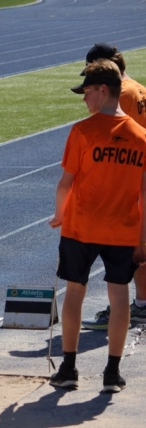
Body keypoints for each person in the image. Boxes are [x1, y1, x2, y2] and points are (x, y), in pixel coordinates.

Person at [48, 59, 146, 393]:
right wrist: (143, 238)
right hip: (122, 230)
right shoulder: (142, 138)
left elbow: (66, 183)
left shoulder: (83, 132)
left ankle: (69, 368)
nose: (84, 99)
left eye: (87, 92)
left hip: (80, 228)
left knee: (75, 292)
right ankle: (111, 374)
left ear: (103, 91)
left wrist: (59, 214)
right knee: (120, 298)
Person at [77, 44, 146, 329]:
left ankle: (138, 305)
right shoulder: (138, 87)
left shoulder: (124, 94)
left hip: (134, 175)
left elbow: (117, 136)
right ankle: (141, 303)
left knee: (129, 244)